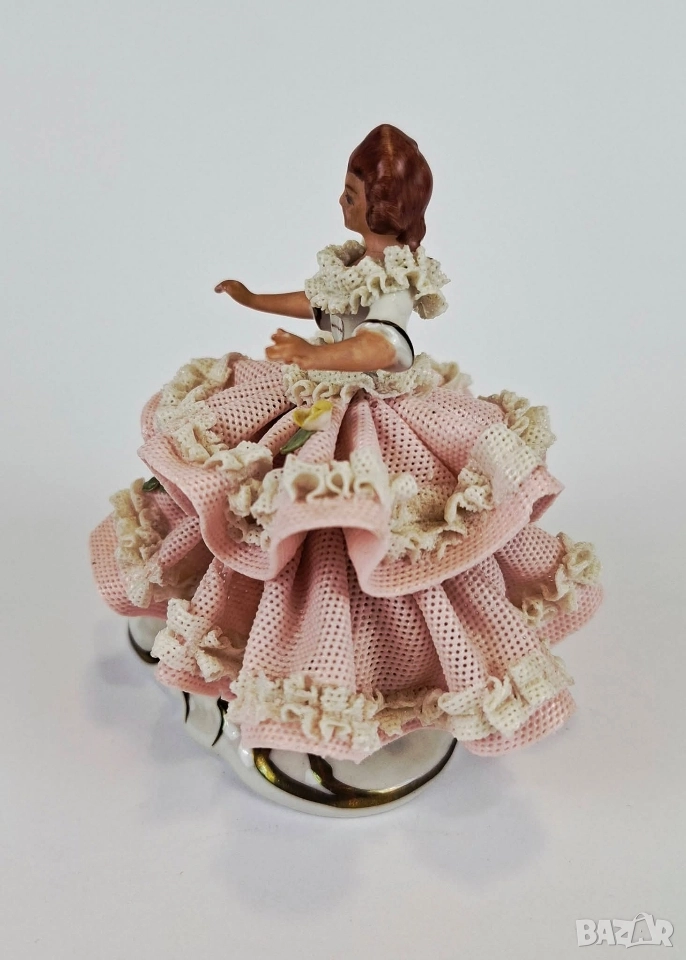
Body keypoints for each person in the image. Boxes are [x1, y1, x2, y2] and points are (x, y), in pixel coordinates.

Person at [90, 124, 602, 766]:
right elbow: (319, 304)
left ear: (383, 206)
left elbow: (383, 344)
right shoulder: (356, 263)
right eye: (345, 189)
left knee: (364, 533)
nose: (342, 201)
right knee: (248, 492)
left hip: (373, 416)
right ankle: (214, 617)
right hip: (315, 397)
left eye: (352, 193)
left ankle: (360, 672)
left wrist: (315, 356)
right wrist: (255, 299)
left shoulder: (396, 276)